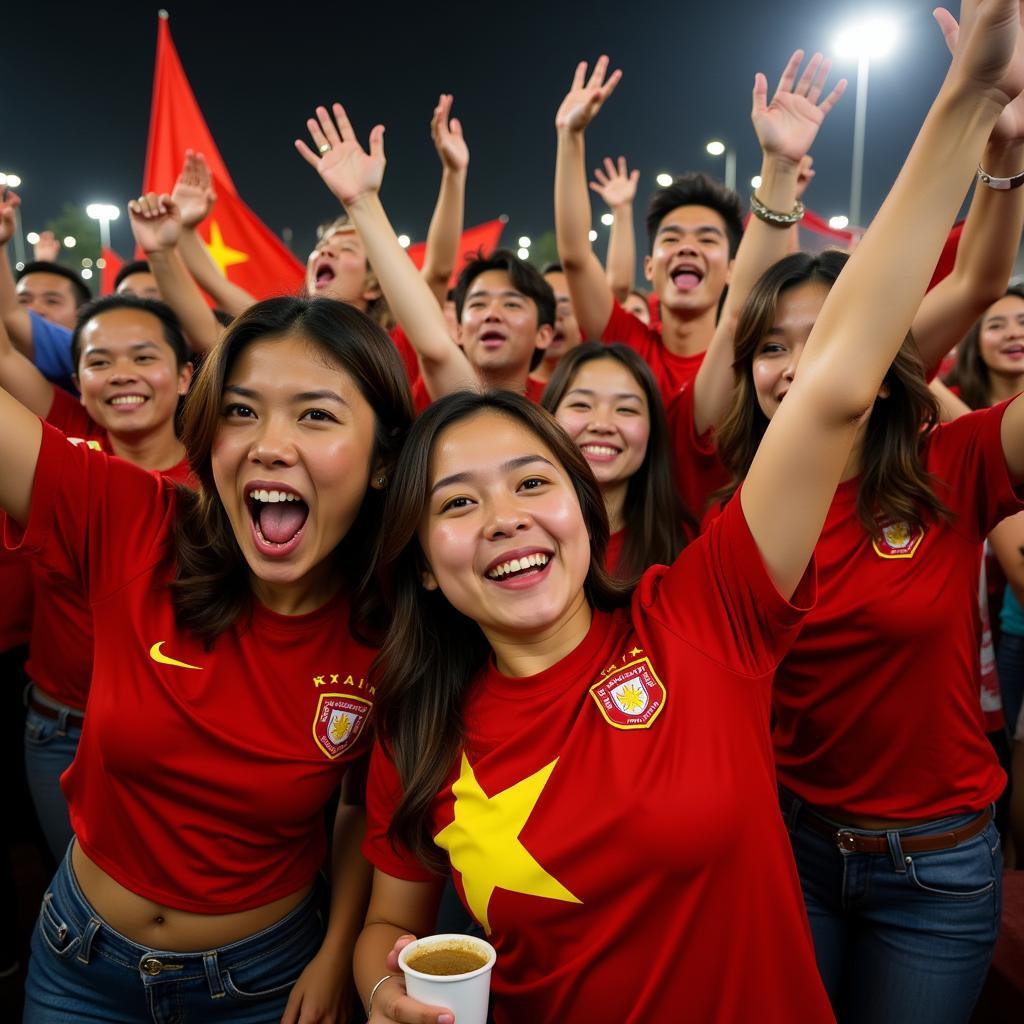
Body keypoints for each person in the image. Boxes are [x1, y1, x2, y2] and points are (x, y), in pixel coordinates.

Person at [353, 11, 1024, 1020]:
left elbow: (835, 384)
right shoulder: (415, 725)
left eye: (533, 482)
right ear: (418, 562)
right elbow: (384, 924)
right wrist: (379, 985)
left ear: (585, 513)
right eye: (456, 500)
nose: (502, 516)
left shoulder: (699, 617)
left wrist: (966, 96)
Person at [4, 294, 413, 1023]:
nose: (269, 444)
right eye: (241, 411)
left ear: (384, 458)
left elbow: (360, 809)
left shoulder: (397, 628)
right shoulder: (135, 522)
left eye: (315, 415)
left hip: (267, 981)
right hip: (78, 968)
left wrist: (335, 953)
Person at [0, 294, 194, 860]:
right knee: (78, 898)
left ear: (185, 375)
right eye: (99, 361)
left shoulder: (225, 475)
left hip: (179, 735)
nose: (122, 376)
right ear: (77, 382)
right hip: (62, 729)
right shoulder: (60, 444)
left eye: (142, 357)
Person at [297, 105, 554, 411]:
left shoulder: (396, 351)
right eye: (478, 303)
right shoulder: (286, 339)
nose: (492, 314)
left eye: (511, 303)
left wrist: (364, 202)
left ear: (374, 284)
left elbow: (438, 277)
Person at [554, 62, 745, 402]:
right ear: (649, 267)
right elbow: (575, 256)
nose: (687, 248)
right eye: (671, 238)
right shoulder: (627, 341)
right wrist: (570, 136)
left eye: (706, 238)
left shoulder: (745, 362)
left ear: (733, 269)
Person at [540, 341, 692, 581]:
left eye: (626, 410)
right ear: (547, 418)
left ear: (652, 430)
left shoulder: (683, 546)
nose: (602, 424)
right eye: (581, 405)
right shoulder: (521, 535)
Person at [528, 263, 582, 387]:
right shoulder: (506, 387)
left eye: (564, 308)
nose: (554, 317)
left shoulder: (596, 387)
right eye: (546, 308)